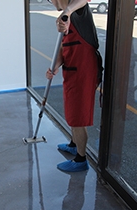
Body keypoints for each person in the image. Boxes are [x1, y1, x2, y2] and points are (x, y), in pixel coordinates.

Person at [46, 0, 102, 172]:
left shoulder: (78, 12)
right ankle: (73, 144)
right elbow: (65, 49)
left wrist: (68, 11)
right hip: (71, 72)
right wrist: (54, 67)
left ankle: (80, 159)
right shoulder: (65, 19)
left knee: (78, 116)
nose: (52, 2)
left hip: (83, 72)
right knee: (71, 110)